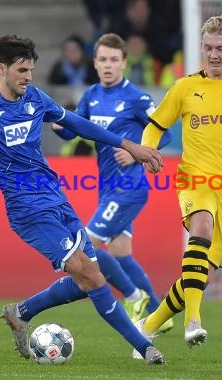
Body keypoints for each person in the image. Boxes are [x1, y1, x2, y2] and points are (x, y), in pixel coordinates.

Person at [0, 34, 165, 365]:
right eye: (22, 70)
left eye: (31, 70)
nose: (28, 77)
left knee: (85, 282)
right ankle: (145, 346)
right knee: (93, 276)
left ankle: (22, 312)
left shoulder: (35, 98)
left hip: (57, 199)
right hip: (27, 210)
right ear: (2, 69)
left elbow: (79, 124)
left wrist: (129, 145)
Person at [133, 15, 222, 354]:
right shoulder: (186, 87)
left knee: (201, 275)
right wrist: (148, 150)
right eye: (207, 48)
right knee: (201, 228)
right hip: (194, 178)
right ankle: (193, 322)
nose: (213, 55)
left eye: (219, 49)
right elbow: (156, 125)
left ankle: (148, 327)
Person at [52, 33, 173, 332]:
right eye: (103, 59)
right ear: (95, 63)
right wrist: (58, 123)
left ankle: (134, 297)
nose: (108, 65)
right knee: (121, 254)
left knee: (87, 247)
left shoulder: (137, 98)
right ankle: (159, 316)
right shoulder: (91, 96)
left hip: (129, 188)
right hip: (107, 189)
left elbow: (166, 133)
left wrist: (137, 155)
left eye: (114, 60)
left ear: (124, 63)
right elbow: (73, 130)